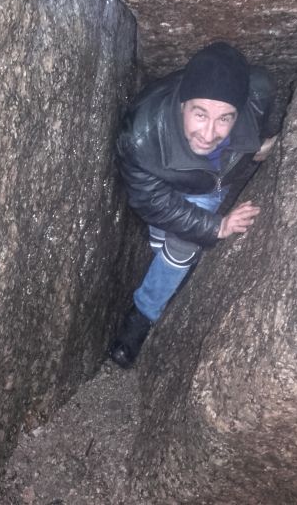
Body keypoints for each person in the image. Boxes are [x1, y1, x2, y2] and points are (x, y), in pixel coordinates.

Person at [110, 42, 279, 368]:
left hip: (211, 186)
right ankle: (162, 280)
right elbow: (153, 202)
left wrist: (256, 147)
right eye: (200, 114)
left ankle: (143, 311)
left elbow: (252, 127)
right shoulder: (141, 136)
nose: (209, 133)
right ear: (182, 104)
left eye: (224, 118)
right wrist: (217, 226)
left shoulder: (258, 93)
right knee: (168, 240)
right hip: (164, 186)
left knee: (181, 244)